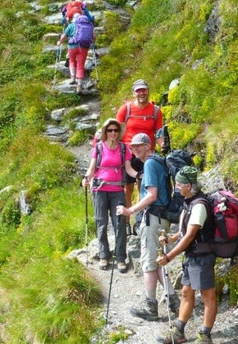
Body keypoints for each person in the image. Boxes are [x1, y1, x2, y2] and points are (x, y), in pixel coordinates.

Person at [116, 133, 179, 321]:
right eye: (132, 147)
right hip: (161, 217)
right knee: (156, 261)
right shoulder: (157, 162)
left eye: (137, 146)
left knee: (148, 264)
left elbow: (152, 195)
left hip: (153, 218)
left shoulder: (150, 164)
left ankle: (150, 306)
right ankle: (173, 300)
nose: (134, 149)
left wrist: (130, 211)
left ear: (147, 146)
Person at [156, 166, 217, 344]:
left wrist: (169, 256)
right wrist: (171, 238)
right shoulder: (188, 202)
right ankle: (179, 331)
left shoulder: (199, 206)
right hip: (193, 256)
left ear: (189, 185)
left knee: (208, 295)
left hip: (202, 256)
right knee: (186, 292)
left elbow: (190, 235)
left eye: (179, 184)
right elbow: (185, 232)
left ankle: (205, 336)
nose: (176, 186)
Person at [82, 119, 137, 273]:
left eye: (116, 130)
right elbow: (92, 168)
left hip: (117, 190)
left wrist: (140, 175)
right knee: (102, 223)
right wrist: (86, 178)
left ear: (119, 132)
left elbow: (128, 169)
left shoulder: (124, 149)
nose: (113, 133)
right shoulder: (98, 148)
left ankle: (120, 258)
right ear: (105, 132)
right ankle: (104, 255)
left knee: (119, 223)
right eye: (110, 130)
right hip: (99, 190)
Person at [116, 79, 164, 229]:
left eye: (144, 90)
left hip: (146, 155)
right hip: (128, 153)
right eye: (138, 90)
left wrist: (163, 146)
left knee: (143, 187)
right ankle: (126, 222)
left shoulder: (155, 111)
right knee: (127, 189)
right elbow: (117, 131)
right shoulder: (126, 109)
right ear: (134, 93)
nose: (141, 93)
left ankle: (140, 220)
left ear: (148, 91)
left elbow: (159, 133)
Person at [57, 13, 94, 94]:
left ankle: (73, 78)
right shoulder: (89, 26)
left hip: (72, 46)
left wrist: (59, 42)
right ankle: (79, 86)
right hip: (84, 47)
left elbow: (64, 36)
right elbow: (93, 38)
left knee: (72, 61)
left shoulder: (71, 25)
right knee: (80, 65)